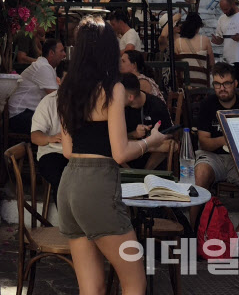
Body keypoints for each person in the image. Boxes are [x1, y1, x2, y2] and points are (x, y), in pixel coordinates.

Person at [56, 15, 169, 295]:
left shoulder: (67, 89)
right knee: (134, 282)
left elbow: (68, 150)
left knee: (90, 288)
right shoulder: (112, 89)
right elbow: (120, 153)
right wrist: (151, 142)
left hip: (68, 186)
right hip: (97, 187)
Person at [190, 62, 239, 255]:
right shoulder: (208, 105)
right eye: (217, 84)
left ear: (235, 83)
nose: (222, 88)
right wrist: (227, 138)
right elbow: (204, 143)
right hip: (213, 157)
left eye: (227, 83)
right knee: (200, 173)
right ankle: (192, 233)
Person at [8, 38, 66, 134]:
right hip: (19, 116)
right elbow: (56, 98)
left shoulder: (46, 66)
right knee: (59, 124)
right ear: (51, 53)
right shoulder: (43, 67)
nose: (64, 54)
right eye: (62, 51)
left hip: (25, 113)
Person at [122, 73, 174, 170]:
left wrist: (144, 172)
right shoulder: (119, 109)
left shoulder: (157, 107)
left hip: (153, 166)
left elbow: (170, 143)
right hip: (126, 165)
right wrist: (134, 134)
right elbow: (114, 142)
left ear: (130, 97)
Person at [30, 68, 67, 202]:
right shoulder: (49, 102)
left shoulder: (87, 100)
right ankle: (65, 215)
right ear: (58, 81)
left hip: (79, 155)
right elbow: (35, 136)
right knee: (62, 180)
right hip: (52, 153)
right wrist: (50, 138)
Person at [174, 12, 215, 87]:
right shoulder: (205, 40)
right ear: (198, 27)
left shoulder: (177, 42)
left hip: (184, 84)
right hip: (202, 83)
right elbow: (212, 64)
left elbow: (176, 66)